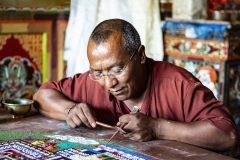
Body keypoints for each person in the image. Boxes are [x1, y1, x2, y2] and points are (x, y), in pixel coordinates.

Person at [33, 19, 238, 152]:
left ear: (140, 55)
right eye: (99, 73)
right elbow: (42, 96)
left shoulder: (176, 84)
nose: (109, 82)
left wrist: (157, 128)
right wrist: (70, 109)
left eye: (118, 69)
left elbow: (226, 134)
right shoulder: (93, 81)